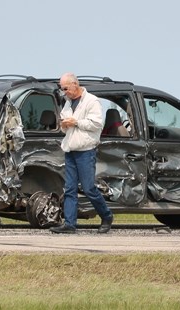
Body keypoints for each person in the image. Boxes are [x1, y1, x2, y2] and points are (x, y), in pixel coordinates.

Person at [49, 73, 114, 234]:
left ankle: (106, 216)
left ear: (74, 85)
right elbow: (65, 123)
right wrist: (64, 124)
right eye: (61, 89)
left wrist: (76, 122)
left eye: (65, 88)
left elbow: (97, 123)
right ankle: (70, 224)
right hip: (70, 150)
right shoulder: (68, 102)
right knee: (69, 188)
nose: (64, 92)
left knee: (89, 187)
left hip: (86, 151)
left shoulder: (92, 101)